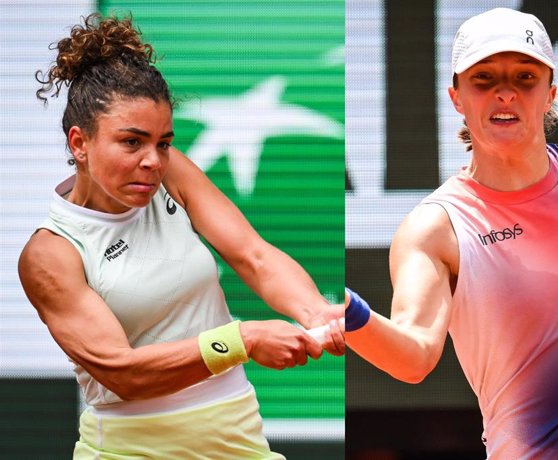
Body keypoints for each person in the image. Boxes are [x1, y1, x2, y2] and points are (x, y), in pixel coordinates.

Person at [345, 7, 558, 459]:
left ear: (550, 94)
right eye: (484, 78)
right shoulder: (435, 227)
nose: (505, 93)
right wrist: (346, 312)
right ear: (456, 97)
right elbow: (413, 357)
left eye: (525, 78)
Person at [18, 13, 344, 459]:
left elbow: (254, 256)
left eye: (163, 142)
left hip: (237, 436)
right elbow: (124, 374)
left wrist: (317, 314)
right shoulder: (49, 254)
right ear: (80, 143)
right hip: (128, 450)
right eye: (132, 142)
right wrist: (242, 340)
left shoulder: (170, 174)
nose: (153, 159)